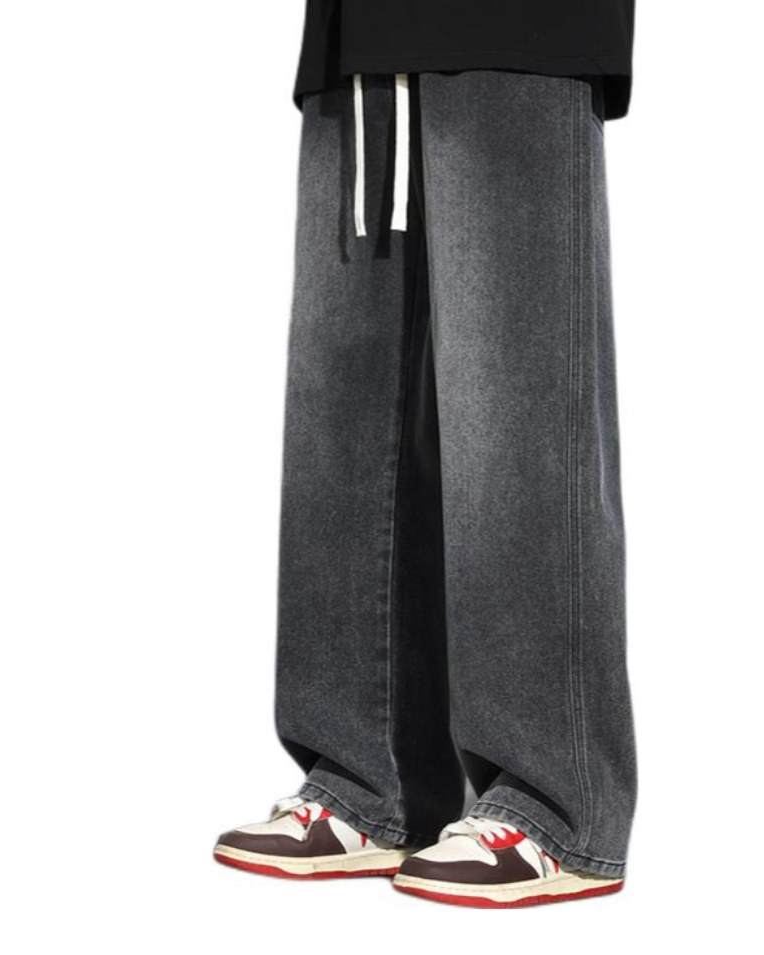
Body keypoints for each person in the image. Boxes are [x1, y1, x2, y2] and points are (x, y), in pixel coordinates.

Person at [214, 0, 639, 908]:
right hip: (356, 39)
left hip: (515, 29)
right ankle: (370, 785)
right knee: (340, 417)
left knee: (515, 409)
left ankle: (554, 803)